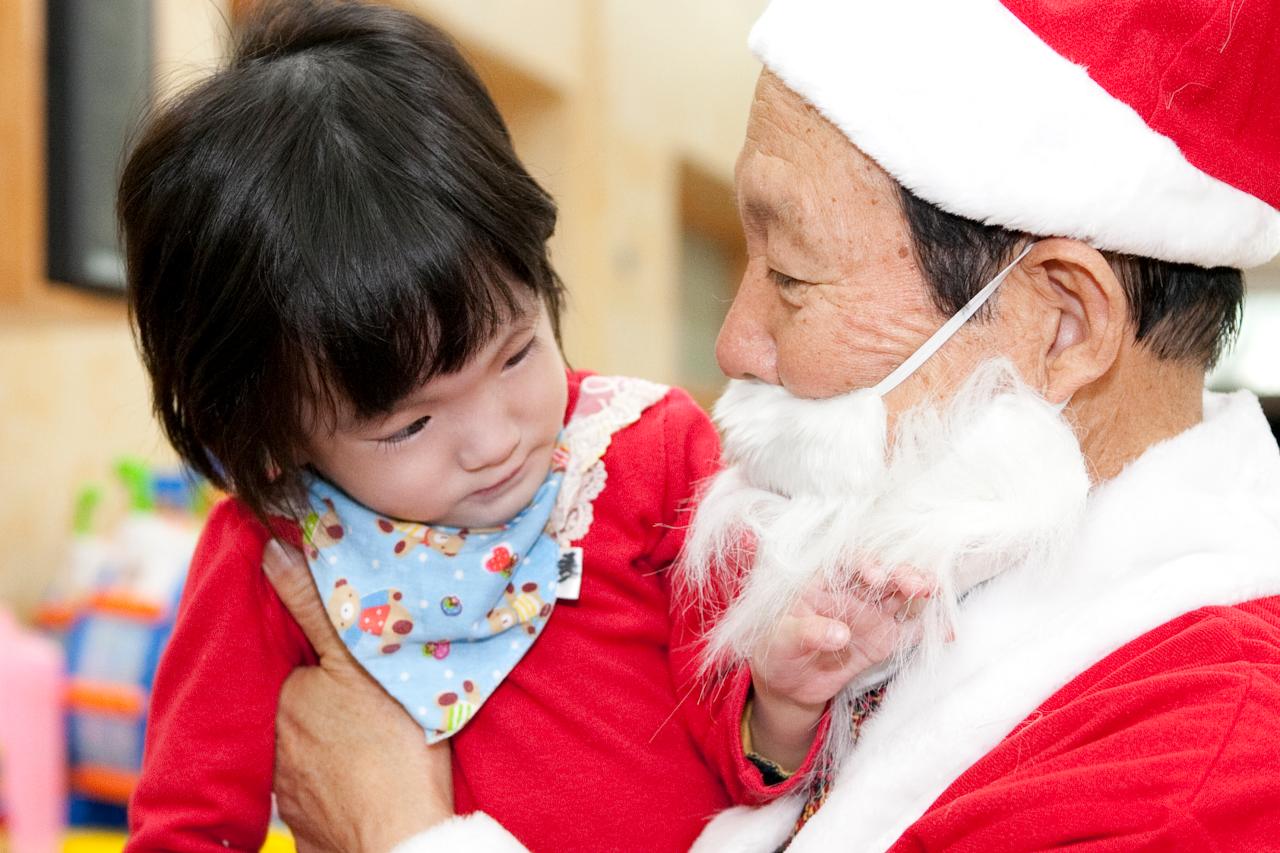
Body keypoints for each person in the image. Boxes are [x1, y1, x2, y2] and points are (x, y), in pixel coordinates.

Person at [265, 0, 1280, 850]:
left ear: (1061, 323)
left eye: (791, 278)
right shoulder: (927, 552)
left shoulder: (1193, 776)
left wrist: (401, 827)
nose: (736, 341)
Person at [118, 3, 816, 851]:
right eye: (408, 426)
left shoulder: (646, 450)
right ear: (277, 436)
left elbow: (739, 724)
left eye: (517, 354)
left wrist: (780, 702)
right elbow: (189, 824)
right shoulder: (274, 551)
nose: (493, 441)